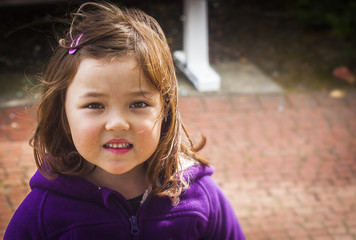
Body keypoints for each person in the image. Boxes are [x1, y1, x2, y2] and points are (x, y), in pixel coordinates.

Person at [4, 2, 245, 239]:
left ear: (166, 111)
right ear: (63, 115)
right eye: (94, 105)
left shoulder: (199, 196)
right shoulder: (43, 212)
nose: (118, 123)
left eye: (138, 104)